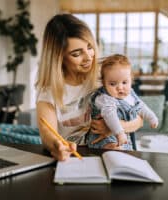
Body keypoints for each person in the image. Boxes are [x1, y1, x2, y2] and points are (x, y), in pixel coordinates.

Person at [35, 14, 143, 161]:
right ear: (59, 58)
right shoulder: (48, 92)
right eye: (76, 53)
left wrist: (116, 127)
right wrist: (57, 145)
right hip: (75, 159)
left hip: (115, 156)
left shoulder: (105, 75)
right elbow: (47, 134)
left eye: (90, 47)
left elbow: (139, 119)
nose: (88, 57)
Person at [87, 54, 158, 151]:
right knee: (115, 150)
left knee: (126, 156)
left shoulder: (130, 95)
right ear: (104, 83)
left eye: (124, 82)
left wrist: (151, 117)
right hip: (104, 139)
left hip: (126, 138)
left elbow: (140, 106)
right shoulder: (104, 98)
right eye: (112, 84)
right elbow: (110, 115)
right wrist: (119, 133)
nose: (120, 87)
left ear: (131, 81)